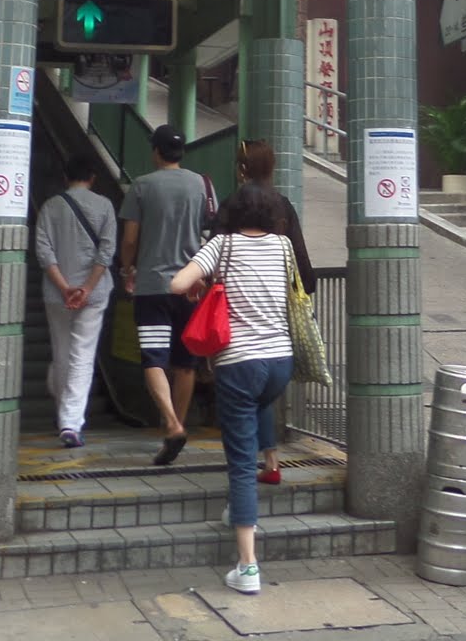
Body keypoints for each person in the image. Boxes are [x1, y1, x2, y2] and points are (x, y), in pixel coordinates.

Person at [169, 182, 295, 596]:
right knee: (255, 425)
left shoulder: (221, 245)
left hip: (239, 364)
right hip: (279, 362)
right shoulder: (282, 246)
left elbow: (177, 283)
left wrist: (203, 283)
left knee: (241, 463)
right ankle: (240, 508)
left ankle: (248, 566)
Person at [120, 125, 217, 464]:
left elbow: (131, 238)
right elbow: (208, 228)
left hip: (152, 287)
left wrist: (127, 268)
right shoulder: (199, 184)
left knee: (154, 358)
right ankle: (176, 426)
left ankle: (172, 425)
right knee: (186, 363)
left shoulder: (142, 186)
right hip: (190, 287)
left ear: (156, 151)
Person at [223, 140, 315, 482]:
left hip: (239, 314)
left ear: (242, 169)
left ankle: (248, 468)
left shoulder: (232, 205)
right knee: (262, 392)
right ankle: (271, 460)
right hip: (276, 316)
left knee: (243, 389)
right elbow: (302, 264)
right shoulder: (283, 206)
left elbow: (215, 255)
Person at [33, 153, 116, 447]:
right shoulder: (104, 205)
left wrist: (65, 287)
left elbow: (44, 252)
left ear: (65, 178)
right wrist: (86, 288)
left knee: (62, 352)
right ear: (92, 178)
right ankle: (70, 423)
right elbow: (106, 252)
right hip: (93, 296)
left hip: (57, 294)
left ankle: (65, 416)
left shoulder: (49, 207)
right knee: (81, 355)